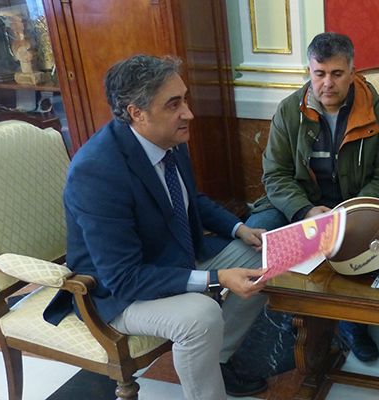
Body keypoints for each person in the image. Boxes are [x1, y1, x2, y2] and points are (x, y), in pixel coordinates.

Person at [43, 55, 271, 399]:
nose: (188, 113)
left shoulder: (168, 139)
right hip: (116, 293)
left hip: (170, 258)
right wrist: (216, 278)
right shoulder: (97, 172)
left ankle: (218, 358)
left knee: (265, 259)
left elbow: (190, 198)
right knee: (201, 315)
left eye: (185, 99)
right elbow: (123, 278)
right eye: (174, 104)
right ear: (137, 113)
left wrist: (239, 228)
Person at [245, 32, 379, 362]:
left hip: (357, 204)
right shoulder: (290, 110)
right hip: (303, 203)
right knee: (259, 233)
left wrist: (351, 214)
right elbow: (275, 175)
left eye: (337, 74)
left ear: (352, 71)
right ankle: (286, 311)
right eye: (319, 74)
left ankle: (352, 321)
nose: (327, 83)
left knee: (360, 238)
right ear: (310, 71)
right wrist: (304, 210)